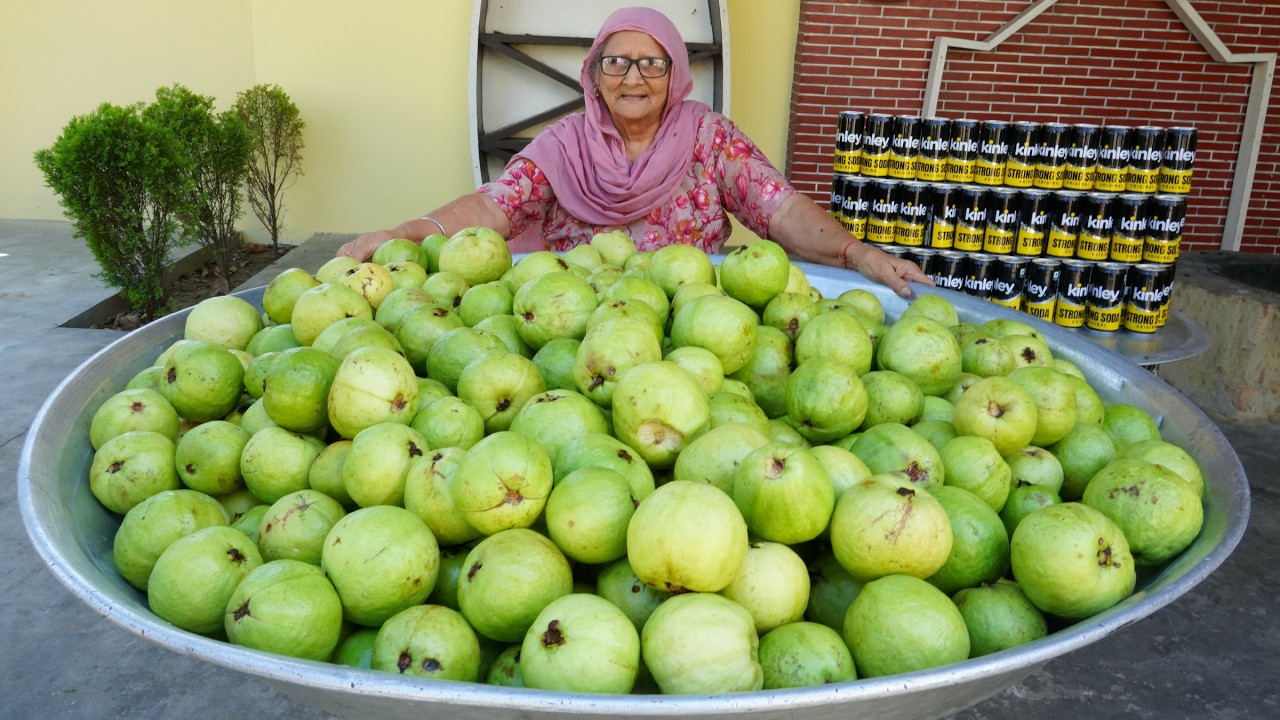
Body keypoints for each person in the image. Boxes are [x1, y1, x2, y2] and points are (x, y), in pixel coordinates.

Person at [339, 6, 931, 298]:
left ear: (675, 76)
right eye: (616, 62)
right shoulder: (563, 144)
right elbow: (494, 207)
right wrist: (405, 232)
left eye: (652, 63)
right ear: (594, 75)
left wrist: (856, 252)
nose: (633, 77)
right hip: (573, 324)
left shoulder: (709, 137)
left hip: (694, 328)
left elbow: (780, 208)